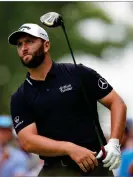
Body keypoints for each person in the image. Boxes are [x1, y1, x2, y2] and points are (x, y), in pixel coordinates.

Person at [8, 23, 127, 176]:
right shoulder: (20, 96)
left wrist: (114, 142)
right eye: (19, 44)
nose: (24, 47)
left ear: (46, 45)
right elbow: (28, 141)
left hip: (95, 167)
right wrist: (69, 148)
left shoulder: (78, 73)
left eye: (30, 41)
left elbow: (117, 102)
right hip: (56, 170)